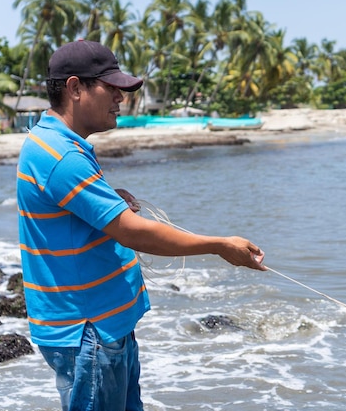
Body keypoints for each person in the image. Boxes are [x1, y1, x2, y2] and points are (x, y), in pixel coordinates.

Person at [16, 40, 266, 411]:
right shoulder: (63, 156)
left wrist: (104, 194)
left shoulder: (54, 143)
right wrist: (218, 245)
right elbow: (132, 231)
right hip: (90, 330)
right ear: (74, 88)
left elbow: (64, 210)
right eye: (111, 87)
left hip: (98, 324)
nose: (121, 97)